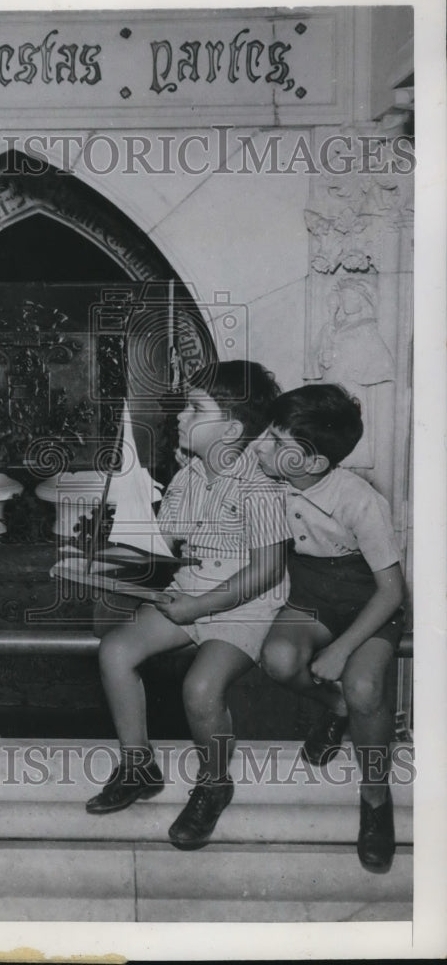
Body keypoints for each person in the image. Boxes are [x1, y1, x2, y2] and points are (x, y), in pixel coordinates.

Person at [86, 360, 288, 851]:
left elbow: (267, 571)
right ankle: (138, 766)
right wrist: (99, 561)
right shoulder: (189, 476)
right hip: (192, 590)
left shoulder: (259, 488)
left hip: (244, 604)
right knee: (115, 651)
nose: (180, 415)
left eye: (196, 408)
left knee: (201, 686)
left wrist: (197, 608)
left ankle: (215, 783)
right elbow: (165, 543)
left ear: (233, 430)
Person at [253, 384, 406, 873]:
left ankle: (376, 801)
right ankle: (334, 708)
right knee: (277, 660)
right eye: (267, 435)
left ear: (315, 464)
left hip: (369, 601)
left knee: (364, 686)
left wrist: (341, 651)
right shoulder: (271, 480)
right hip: (314, 594)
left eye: (278, 443)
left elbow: (391, 592)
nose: (262, 447)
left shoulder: (360, 501)